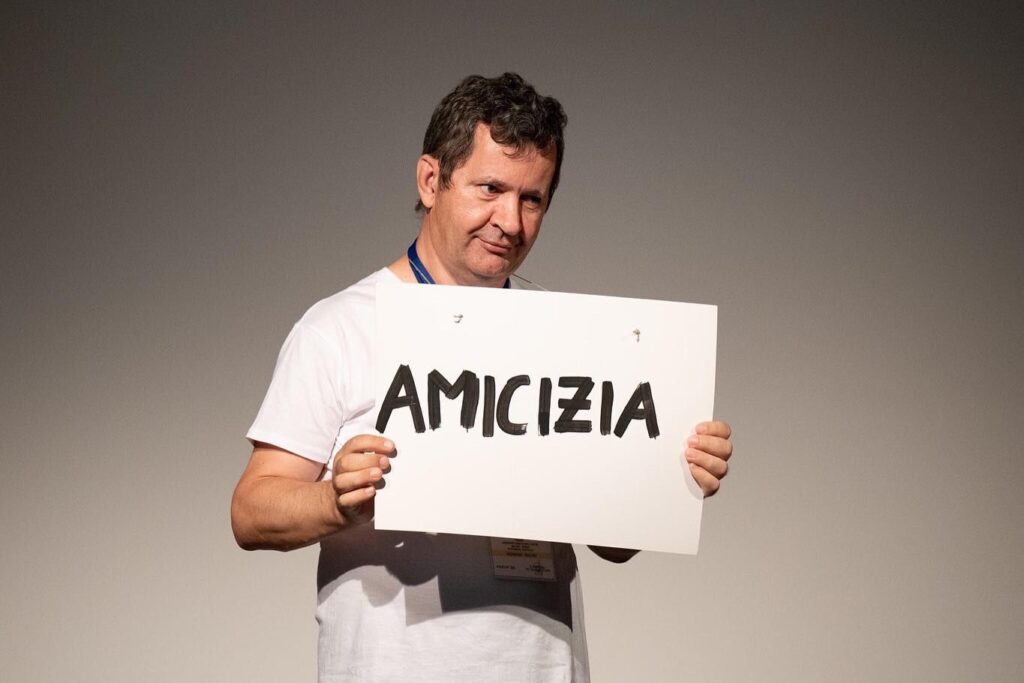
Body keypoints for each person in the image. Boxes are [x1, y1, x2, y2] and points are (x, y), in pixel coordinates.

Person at [231, 72, 733, 683]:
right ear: (430, 180)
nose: (511, 222)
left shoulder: (569, 337)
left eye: (532, 199)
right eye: (490, 189)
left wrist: (667, 478)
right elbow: (251, 510)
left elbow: (613, 544)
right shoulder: (341, 327)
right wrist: (335, 502)